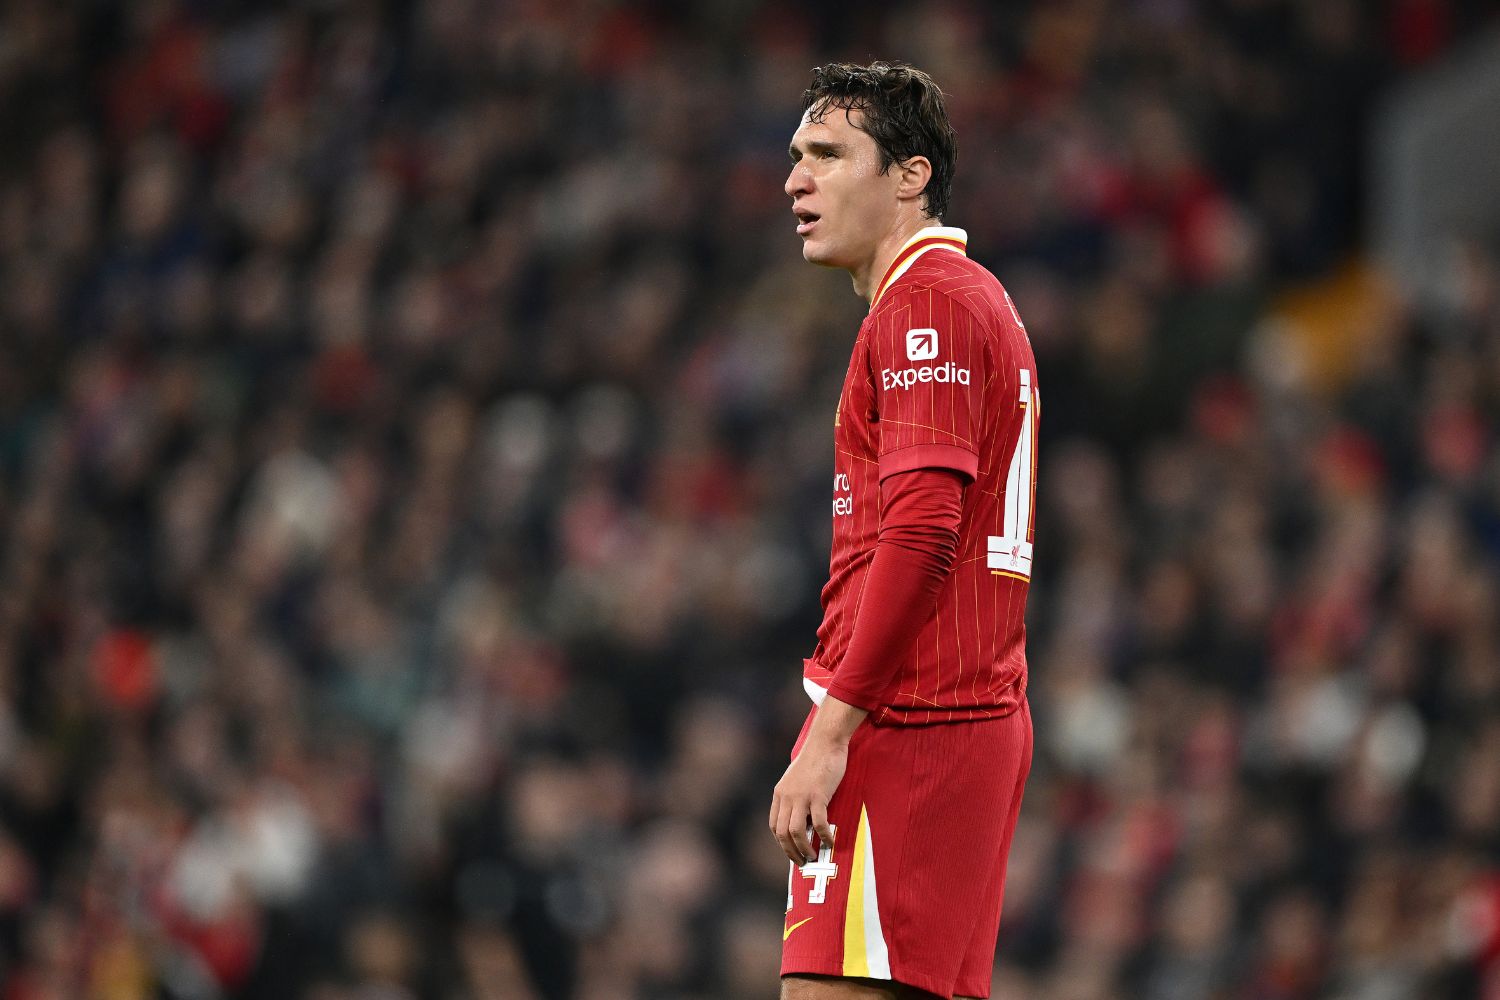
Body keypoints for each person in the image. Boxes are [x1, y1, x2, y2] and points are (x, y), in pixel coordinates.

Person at [769, 62, 1038, 1000]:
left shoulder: (928, 303)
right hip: (948, 721)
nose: (797, 180)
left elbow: (923, 529)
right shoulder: (960, 300)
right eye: (797, 157)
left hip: (914, 725)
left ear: (909, 176)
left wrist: (831, 730)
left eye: (829, 154)